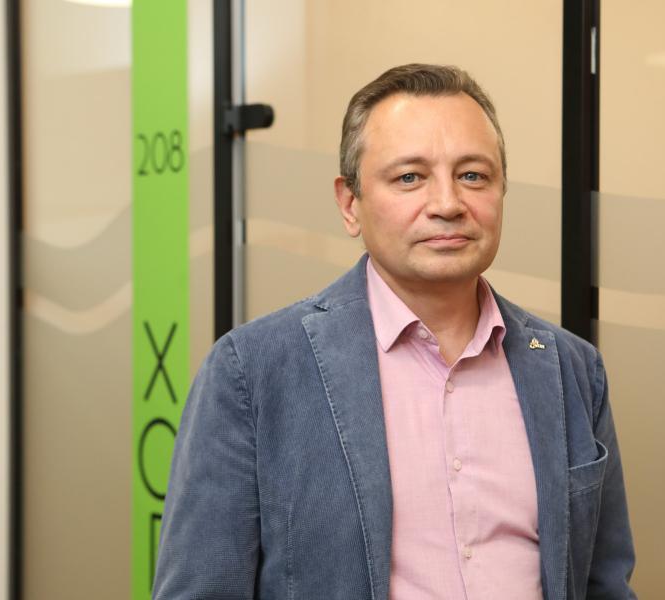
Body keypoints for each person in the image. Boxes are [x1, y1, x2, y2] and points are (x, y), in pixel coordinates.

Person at [153, 63, 636, 600]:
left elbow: (605, 584)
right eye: (409, 177)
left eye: (473, 176)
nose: (448, 204)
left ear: (502, 190)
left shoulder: (571, 368)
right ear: (349, 203)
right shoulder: (252, 371)